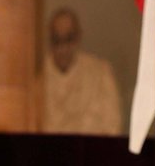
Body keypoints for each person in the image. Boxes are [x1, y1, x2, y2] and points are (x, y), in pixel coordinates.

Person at [42, 8, 122, 136]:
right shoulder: (36, 78)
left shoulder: (101, 74)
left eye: (68, 38)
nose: (63, 48)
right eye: (57, 39)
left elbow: (113, 128)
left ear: (78, 37)